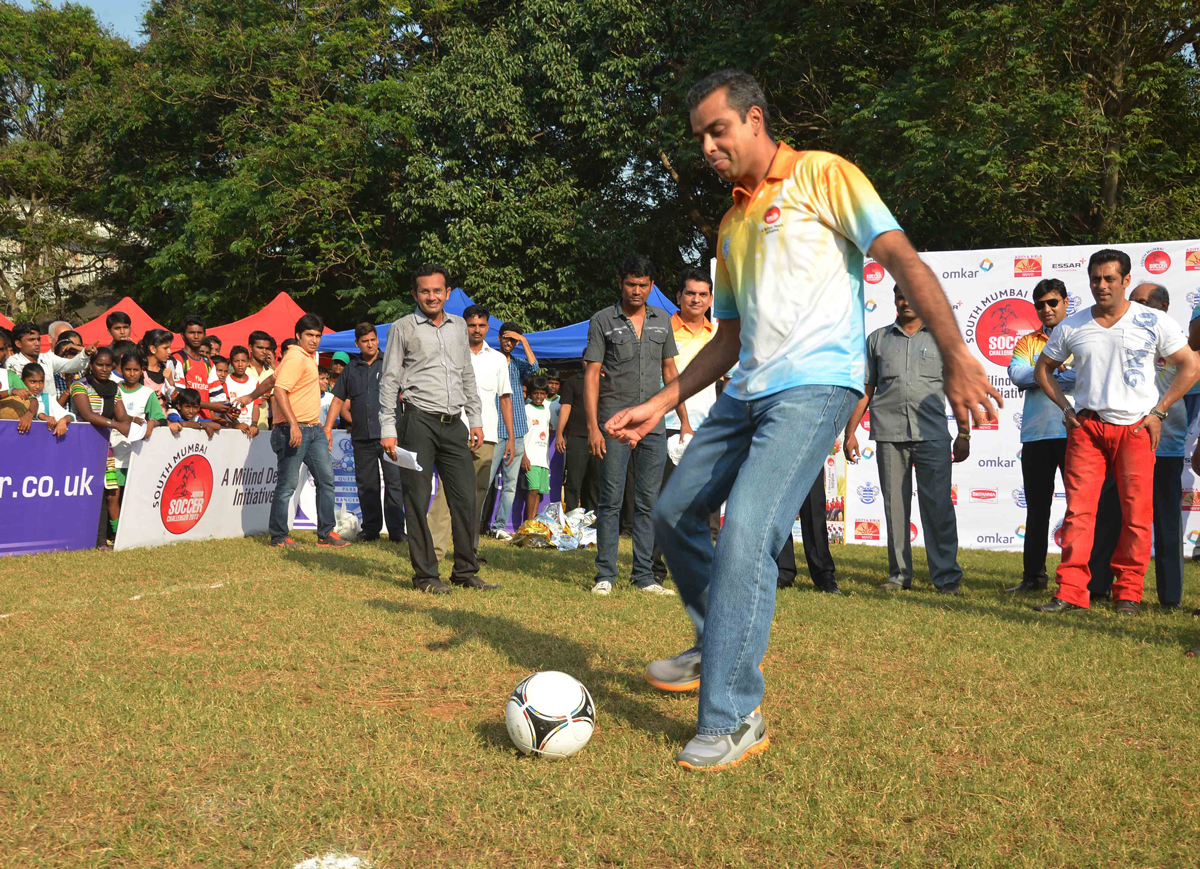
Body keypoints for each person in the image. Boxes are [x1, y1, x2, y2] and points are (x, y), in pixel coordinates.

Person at [608, 69, 999, 770]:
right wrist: (662, 402)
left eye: (717, 131)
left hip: (816, 387)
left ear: (754, 119)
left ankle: (732, 716)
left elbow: (902, 259)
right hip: (746, 392)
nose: (706, 147)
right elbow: (728, 340)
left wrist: (955, 353)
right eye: (699, 137)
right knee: (671, 512)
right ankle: (719, 641)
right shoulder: (731, 224)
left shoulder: (823, 175)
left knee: (747, 531)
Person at [1032, 249, 1198, 615]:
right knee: (1079, 513)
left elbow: (1191, 365)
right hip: (1087, 429)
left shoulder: (1152, 320)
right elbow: (1043, 369)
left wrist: (1159, 411)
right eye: (1096, 279)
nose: (1102, 286)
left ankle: (1129, 594)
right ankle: (1071, 592)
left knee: (1136, 516)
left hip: (1136, 428)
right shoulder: (1073, 325)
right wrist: (1067, 409)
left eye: (1110, 279)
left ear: (1126, 280)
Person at [844, 284, 970, 592]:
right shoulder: (878, 339)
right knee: (895, 509)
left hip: (932, 435)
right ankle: (899, 576)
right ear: (895, 300)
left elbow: (958, 389)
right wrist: (850, 432)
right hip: (889, 435)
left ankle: (946, 578)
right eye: (900, 296)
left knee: (938, 508)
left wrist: (964, 432)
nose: (906, 301)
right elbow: (866, 390)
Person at [379, 264, 497, 593]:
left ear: (447, 293)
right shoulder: (402, 327)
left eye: (437, 291)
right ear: (414, 294)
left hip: (455, 423)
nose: (431, 296)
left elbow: (466, 374)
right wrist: (388, 426)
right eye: (425, 291)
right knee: (417, 500)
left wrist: (475, 418)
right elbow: (389, 379)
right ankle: (426, 576)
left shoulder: (459, 326)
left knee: (465, 498)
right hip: (417, 422)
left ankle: (465, 571)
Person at [584, 253, 690, 597]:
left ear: (651, 285)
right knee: (611, 501)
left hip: (654, 425)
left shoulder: (662, 321)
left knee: (649, 502)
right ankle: (605, 574)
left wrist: (684, 418)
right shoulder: (602, 320)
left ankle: (644, 576)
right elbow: (591, 375)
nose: (636, 291)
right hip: (614, 424)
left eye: (643, 285)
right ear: (620, 283)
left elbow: (671, 372)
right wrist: (593, 426)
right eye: (631, 284)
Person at [1087, 282, 1191, 610]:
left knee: (1166, 522)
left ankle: (1170, 598)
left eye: (1144, 302)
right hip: (1122, 442)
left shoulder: (1177, 341)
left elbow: (1192, 383)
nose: (1137, 307)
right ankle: (1098, 586)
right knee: (1111, 517)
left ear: (1164, 305)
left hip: (1165, 447)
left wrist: (1160, 413)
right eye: (1134, 301)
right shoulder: (1124, 337)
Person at [427, 305, 515, 558]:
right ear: (463, 326)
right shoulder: (450, 353)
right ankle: (434, 550)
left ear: (488, 328)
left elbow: (505, 399)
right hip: (453, 430)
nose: (477, 330)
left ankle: (468, 551)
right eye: (472, 325)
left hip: (487, 436)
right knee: (445, 491)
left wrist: (510, 437)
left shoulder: (498, 359)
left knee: (476, 495)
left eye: (482, 325)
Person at [1005, 278, 1076, 593]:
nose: (1046, 309)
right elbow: (1016, 375)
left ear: (1065, 302)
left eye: (1052, 302)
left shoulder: (1081, 335)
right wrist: (1053, 371)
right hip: (1036, 435)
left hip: (1076, 432)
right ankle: (1033, 578)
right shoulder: (1028, 340)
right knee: (1037, 509)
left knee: (1080, 509)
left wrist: (1041, 371)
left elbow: (1086, 376)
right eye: (1040, 305)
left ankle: (1078, 580)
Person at [651, 268, 718, 585]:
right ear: (678, 296)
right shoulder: (661, 330)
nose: (696, 299)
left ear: (711, 299)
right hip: (666, 426)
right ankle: (652, 570)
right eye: (690, 293)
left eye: (703, 294)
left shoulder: (719, 336)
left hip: (707, 430)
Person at [267, 314, 350, 550]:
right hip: (293, 429)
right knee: (287, 486)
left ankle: (326, 533)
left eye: (317, 335)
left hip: (314, 429)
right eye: (309, 335)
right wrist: (293, 424)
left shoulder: (306, 357)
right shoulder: (295, 357)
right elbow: (279, 390)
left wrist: (250, 396)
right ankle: (279, 537)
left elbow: (272, 380)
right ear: (298, 335)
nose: (314, 340)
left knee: (326, 481)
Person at [325, 323, 408, 544]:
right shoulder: (351, 368)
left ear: (377, 340)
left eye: (372, 339)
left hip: (390, 436)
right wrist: (327, 428)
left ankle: (397, 531)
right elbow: (338, 399)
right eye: (364, 341)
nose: (370, 344)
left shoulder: (391, 363)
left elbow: (409, 395)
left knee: (394, 483)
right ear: (357, 344)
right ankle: (370, 530)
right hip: (361, 437)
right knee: (367, 485)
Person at [69, 347, 134, 548]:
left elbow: (122, 416)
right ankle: (84, 538)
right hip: (81, 445)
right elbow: (88, 415)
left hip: (105, 447)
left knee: (108, 492)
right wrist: (117, 425)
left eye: (108, 365)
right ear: (91, 365)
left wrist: (138, 421)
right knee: (86, 492)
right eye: (99, 365)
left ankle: (106, 539)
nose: (104, 369)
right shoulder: (80, 386)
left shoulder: (115, 388)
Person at [487, 322, 538, 540]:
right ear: (499, 338)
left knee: (510, 485)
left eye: (513, 340)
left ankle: (499, 527)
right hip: (493, 429)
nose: (509, 343)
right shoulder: (490, 359)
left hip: (516, 431)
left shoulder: (518, 364)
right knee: (484, 481)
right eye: (506, 338)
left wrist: (524, 340)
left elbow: (535, 369)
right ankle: (471, 524)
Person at [110, 352, 168, 533]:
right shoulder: (113, 389)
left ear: (142, 371)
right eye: (128, 369)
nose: (132, 373)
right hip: (113, 451)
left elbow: (161, 419)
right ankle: (115, 532)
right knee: (113, 495)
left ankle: (132, 532)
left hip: (136, 453)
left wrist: (152, 423)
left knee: (133, 495)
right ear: (122, 370)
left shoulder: (147, 393)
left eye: (136, 370)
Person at [775, 474, 841, 594]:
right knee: (780, 504)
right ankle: (783, 571)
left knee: (814, 504)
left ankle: (823, 573)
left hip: (811, 461)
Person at [556, 370, 601, 512]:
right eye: (587, 360)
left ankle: (592, 518)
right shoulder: (573, 381)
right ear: (583, 361)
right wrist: (559, 433)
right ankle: (571, 517)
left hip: (600, 438)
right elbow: (566, 407)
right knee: (573, 481)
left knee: (595, 482)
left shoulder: (605, 381)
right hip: (577, 436)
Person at [169, 315, 229, 418]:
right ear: (182, 335)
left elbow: (218, 396)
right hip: (184, 422)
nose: (196, 336)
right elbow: (179, 397)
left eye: (199, 333)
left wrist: (228, 409)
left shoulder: (208, 362)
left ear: (204, 335)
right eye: (192, 333)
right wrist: (210, 406)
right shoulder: (177, 359)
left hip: (205, 420)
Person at [6, 321, 95, 384]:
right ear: (18, 343)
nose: (37, 343)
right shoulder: (13, 362)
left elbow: (71, 365)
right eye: (31, 340)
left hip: (50, 405)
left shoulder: (48, 358)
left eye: (38, 339)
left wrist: (85, 353)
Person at [523, 375, 553, 520]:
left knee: (539, 493)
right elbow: (520, 434)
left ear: (546, 395)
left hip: (543, 459)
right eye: (535, 393)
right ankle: (529, 523)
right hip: (530, 457)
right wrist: (523, 455)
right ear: (530, 394)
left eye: (542, 393)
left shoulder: (547, 411)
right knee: (533, 489)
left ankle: (534, 524)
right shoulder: (526, 409)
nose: (539, 396)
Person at [20, 362, 74, 436]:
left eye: (41, 381)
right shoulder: (16, 398)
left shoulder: (46, 398)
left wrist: (63, 420)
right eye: (33, 382)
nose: (38, 386)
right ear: (22, 380)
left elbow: (70, 416)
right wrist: (42, 416)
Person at [224, 346, 262, 438]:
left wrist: (254, 424)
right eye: (236, 361)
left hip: (249, 429)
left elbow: (256, 406)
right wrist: (237, 424)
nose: (240, 364)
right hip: (230, 429)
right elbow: (225, 407)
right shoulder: (226, 381)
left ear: (248, 362)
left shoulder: (254, 381)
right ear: (231, 363)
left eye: (243, 361)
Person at [139, 329, 175, 406]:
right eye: (165, 348)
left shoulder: (167, 368)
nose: (169, 352)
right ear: (153, 349)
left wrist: (170, 380)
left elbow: (174, 399)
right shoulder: (139, 371)